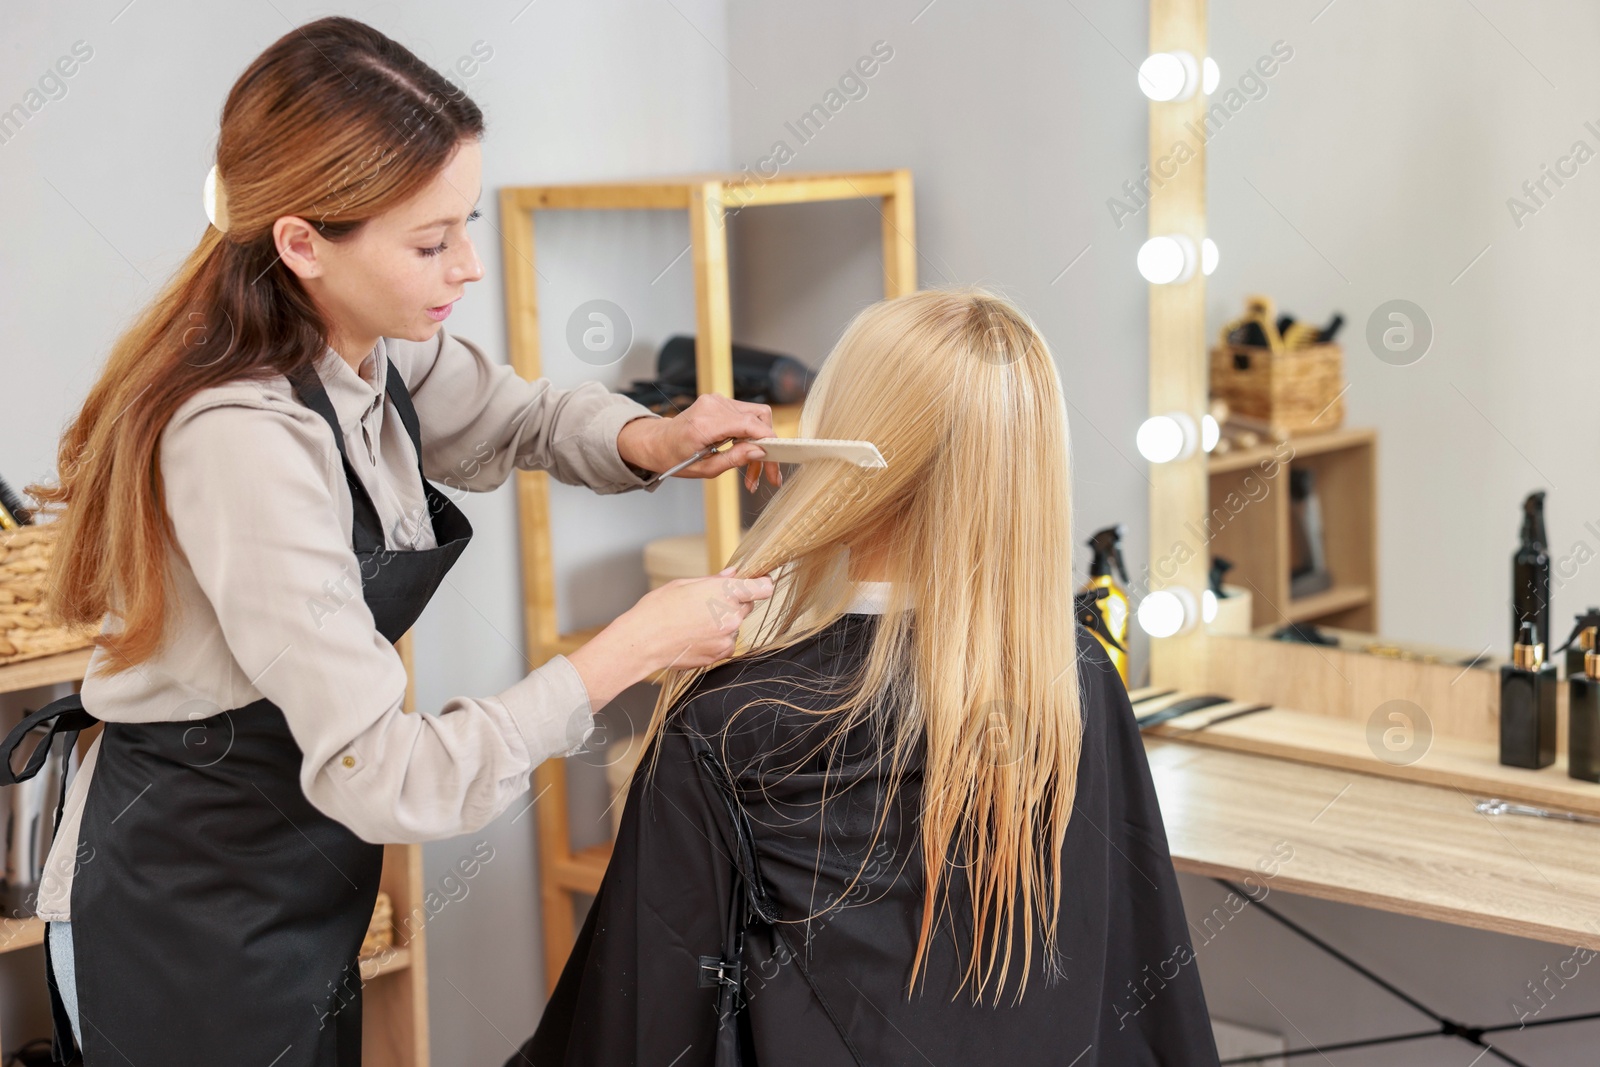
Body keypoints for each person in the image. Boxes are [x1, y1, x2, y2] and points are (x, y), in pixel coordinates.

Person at [2, 16, 777, 1066]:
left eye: (464, 222)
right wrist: (630, 649)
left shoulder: (369, 348)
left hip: (304, 879)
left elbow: (521, 415)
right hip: (187, 909)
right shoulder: (240, 439)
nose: (465, 264)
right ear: (302, 241)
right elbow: (386, 771)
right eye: (429, 240)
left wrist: (659, 435)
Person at [517, 288, 1222, 1065]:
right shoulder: (1077, 676)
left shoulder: (727, 722)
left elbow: (637, 1025)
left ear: (843, 456)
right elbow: (1148, 993)